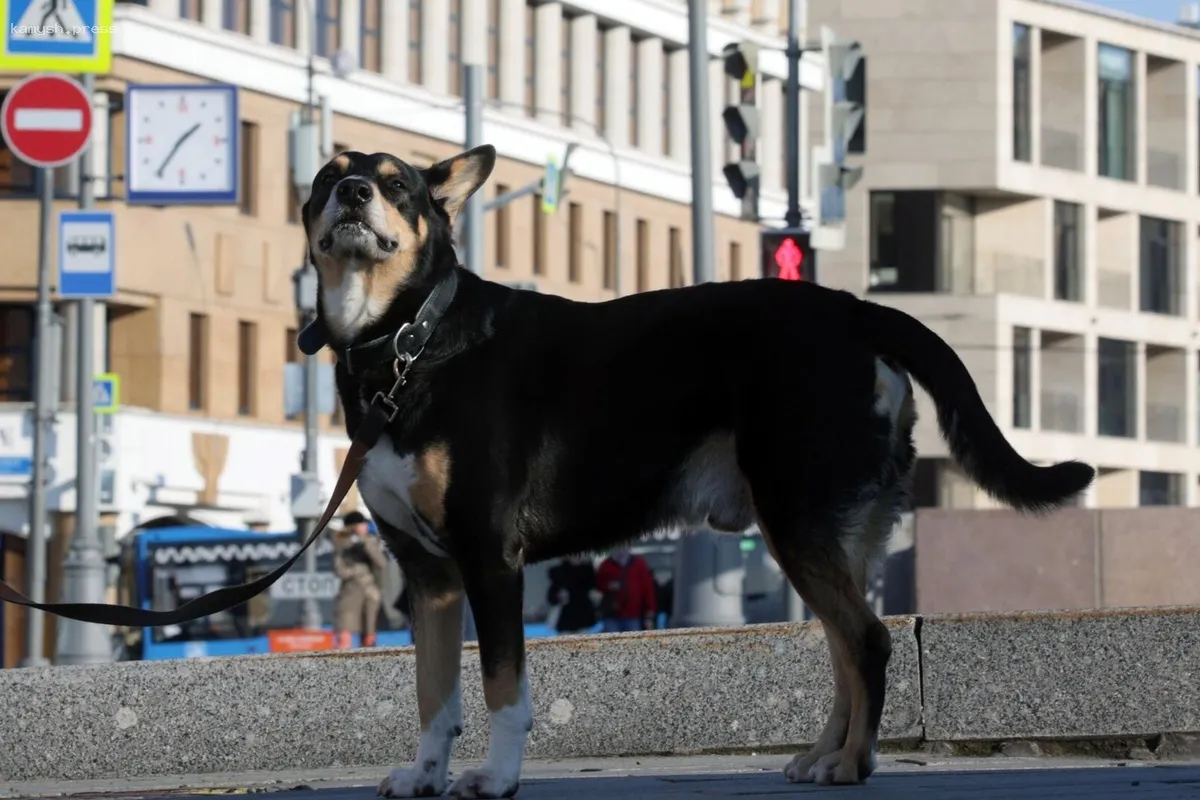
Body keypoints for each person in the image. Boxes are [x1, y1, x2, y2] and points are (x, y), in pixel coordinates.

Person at [332, 511, 388, 648]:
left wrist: (366, 542)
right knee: (344, 632)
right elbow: (340, 569)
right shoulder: (341, 542)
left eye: (362, 524)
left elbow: (381, 563)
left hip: (370, 590)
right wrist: (356, 571)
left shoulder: (371, 541)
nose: (362, 527)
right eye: (358, 525)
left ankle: (368, 657)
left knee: (369, 633)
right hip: (350, 591)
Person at [595, 547, 657, 633]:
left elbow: (647, 588)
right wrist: (608, 586)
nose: (621, 551)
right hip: (612, 614)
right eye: (618, 548)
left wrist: (650, 610)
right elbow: (598, 585)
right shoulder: (606, 565)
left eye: (624, 548)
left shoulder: (638, 563)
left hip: (633, 614)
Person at [545, 555, 598, 635]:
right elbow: (552, 596)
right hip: (567, 618)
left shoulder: (586, 572)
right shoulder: (559, 573)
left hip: (582, 617)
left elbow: (591, 586)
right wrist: (558, 597)